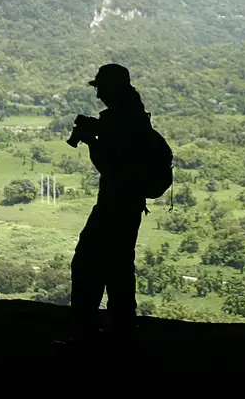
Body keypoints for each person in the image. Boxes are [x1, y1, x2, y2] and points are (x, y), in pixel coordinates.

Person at [63, 63, 151, 347]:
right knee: (119, 270)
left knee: (87, 266)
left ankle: (85, 337)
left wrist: (91, 142)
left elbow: (112, 167)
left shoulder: (123, 119)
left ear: (112, 87)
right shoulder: (131, 115)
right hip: (127, 207)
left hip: (115, 206)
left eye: (100, 86)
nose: (98, 92)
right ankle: (121, 335)